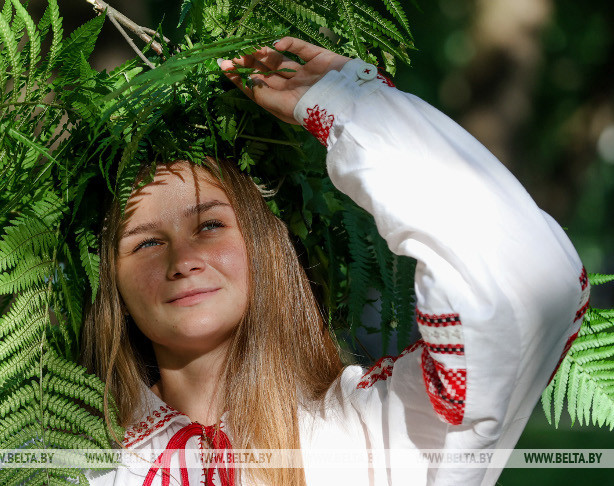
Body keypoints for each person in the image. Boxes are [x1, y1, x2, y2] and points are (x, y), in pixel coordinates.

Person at [75, 37, 589, 486]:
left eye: (209, 225)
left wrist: (352, 105)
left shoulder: (380, 438)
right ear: (112, 284)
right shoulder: (62, 467)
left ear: (264, 245)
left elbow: (533, 282)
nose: (182, 260)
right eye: (144, 242)